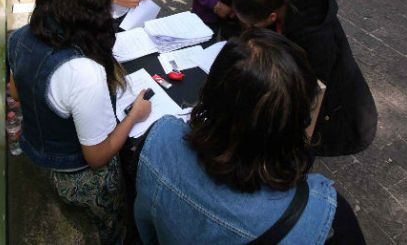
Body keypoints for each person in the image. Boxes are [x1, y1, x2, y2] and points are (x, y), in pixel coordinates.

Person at [134, 28, 367, 244]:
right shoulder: (326, 221)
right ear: (299, 119)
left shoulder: (160, 140)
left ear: (210, 93)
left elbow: (145, 229)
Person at [7, 0, 153, 245]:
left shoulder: (20, 37)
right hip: (75, 176)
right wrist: (135, 115)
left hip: (36, 155)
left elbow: (16, 92)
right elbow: (97, 156)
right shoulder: (83, 71)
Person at [232, 0, 378, 157]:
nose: (248, 29)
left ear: (271, 17)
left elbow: (312, 92)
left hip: (340, 115)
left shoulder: (314, 38)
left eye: (251, 25)